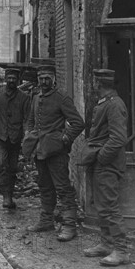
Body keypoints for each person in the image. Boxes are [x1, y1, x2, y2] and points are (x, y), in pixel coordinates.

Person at [22, 64, 85, 242]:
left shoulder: (62, 98)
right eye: (41, 78)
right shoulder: (36, 97)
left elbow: (78, 123)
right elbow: (31, 120)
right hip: (39, 150)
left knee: (63, 188)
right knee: (44, 186)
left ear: (54, 78)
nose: (44, 81)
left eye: (47, 78)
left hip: (56, 152)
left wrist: (65, 139)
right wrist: (29, 134)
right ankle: (46, 220)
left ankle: (69, 226)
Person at [81, 69, 129, 266]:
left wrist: (101, 157)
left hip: (107, 165)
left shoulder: (114, 105)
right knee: (102, 206)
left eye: (95, 82)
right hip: (100, 163)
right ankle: (107, 244)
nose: (93, 86)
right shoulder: (105, 103)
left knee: (109, 207)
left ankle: (121, 250)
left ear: (99, 84)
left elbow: (118, 138)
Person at [0, 68, 30, 209]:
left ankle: (10, 193)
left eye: (14, 78)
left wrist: (27, 133)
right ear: (5, 79)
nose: (11, 81)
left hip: (15, 136)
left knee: (12, 167)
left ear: (18, 80)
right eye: (9, 78)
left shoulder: (24, 97)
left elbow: (27, 118)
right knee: (1, 164)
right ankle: (6, 197)